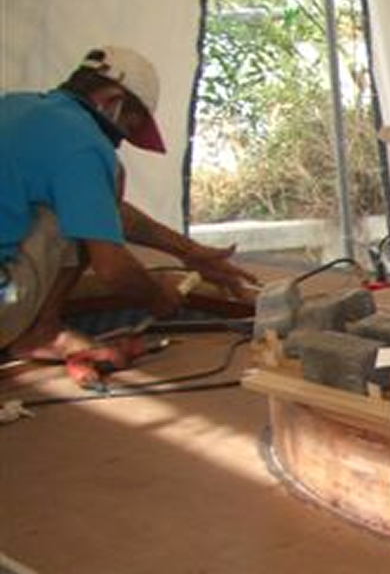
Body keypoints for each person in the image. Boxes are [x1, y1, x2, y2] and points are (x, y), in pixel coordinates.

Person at [0, 45, 260, 361]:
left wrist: (188, 252)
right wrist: (156, 296)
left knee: (77, 205)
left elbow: (101, 209)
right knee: (93, 196)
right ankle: (44, 332)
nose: (120, 141)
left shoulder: (15, 106)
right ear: (112, 102)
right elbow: (114, 270)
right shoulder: (84, 144)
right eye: (129, 128)